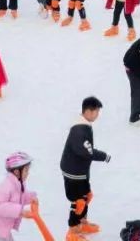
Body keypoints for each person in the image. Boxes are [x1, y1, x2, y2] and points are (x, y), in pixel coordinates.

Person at [60, 96, 111, 239]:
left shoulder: (84, 126)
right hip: (73, 172)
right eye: (96, 112)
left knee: (86, 197)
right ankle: (73, 230)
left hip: (80, 171)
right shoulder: (79, 131)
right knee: (79, 202)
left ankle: (82, 223)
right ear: (88, 111)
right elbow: (85, 151)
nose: (97, 115)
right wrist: (104, 156)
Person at [0, 152, 38, 241]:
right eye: (26, 170)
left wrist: (31, 198)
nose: (28, 173)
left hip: (3, 225)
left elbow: (21, 196)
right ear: (17, 172)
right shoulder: (6, 186)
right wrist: (20, 210)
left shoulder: (18, 183)